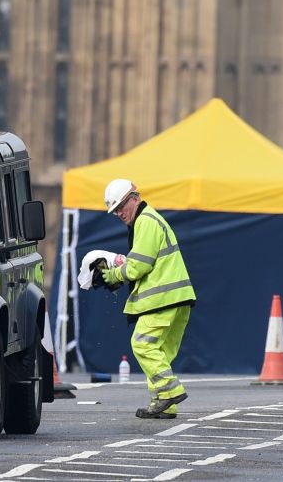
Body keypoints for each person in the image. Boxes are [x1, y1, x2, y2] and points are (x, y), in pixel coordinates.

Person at [99, 178, 196, 419]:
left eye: (122, 206)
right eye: (115, 211)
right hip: (178, 297)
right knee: (160, 352)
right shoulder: (150, 220)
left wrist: (112, 275)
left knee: (142, 345)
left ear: (135, 198)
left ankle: (171, 392)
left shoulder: (145, 221)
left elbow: (138, 266)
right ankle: (164, 403)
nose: (120, 213)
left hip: (161, 300)